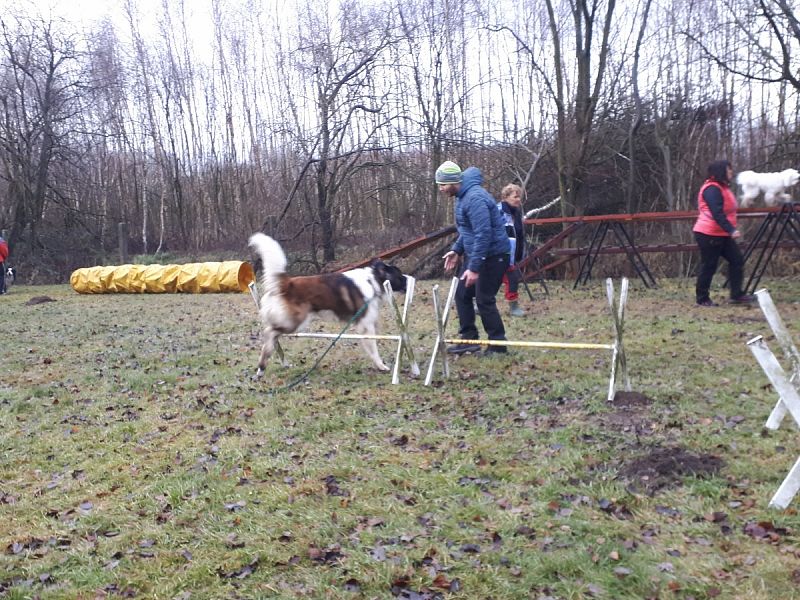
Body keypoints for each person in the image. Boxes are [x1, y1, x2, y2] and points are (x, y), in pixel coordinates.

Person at [436, 161, 511, 355]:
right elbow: (468, 231)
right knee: (462, 294)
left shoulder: (475, 199)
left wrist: (475, 268)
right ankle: (469, 339)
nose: (441, 189)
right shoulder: (462, 197)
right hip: (479, 254)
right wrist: (457, 250)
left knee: (484, 299)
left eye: (443, 185)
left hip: (493, 255)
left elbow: (483, 234)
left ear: (454, 182)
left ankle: (498, 346)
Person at [692, 159, 755, 306]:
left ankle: (736, 295)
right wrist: (731, 229)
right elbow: (717, 212)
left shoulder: (723, 188)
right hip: (708, 233)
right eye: (729, 169)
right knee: (709, 265)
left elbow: (729, 208)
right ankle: (702, 299)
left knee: (737, 260)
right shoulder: (711, 189)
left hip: (722, 233)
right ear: (721, 171)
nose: (731, 172)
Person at [499, 183, 526, 317]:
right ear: (505, 197)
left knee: (513, 279)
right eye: (515, 197)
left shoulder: (517, 213)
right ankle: (478, 304)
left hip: (511, 255)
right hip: (498, 253)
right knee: (490, 281)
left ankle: (513, 307)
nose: (518, 199)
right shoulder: (498, 211)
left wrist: (519, 253)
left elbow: (519, 235)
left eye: (519, 197)